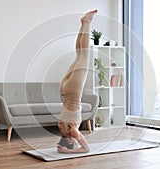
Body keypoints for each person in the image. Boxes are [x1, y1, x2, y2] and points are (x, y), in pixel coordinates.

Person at [57, 9, 98, 153]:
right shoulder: (61, 126)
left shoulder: (72, 130)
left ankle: (86, 23)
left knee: (84, 54)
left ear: (70, 140)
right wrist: (63, 145)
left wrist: (67, 151)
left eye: (74, 143)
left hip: (74, 91)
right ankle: (83, 24)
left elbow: (86, 149)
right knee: (79, 54)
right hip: (64, 89)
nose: (77, 142)